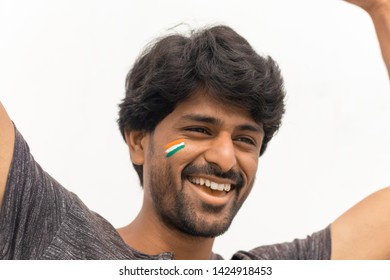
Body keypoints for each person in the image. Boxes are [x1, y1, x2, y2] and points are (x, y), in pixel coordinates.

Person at [0, 0, 389, 260]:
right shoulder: (45, 229)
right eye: (201, 130)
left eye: (245, 139)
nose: (225, 157)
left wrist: (379, 8)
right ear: (138, 140)